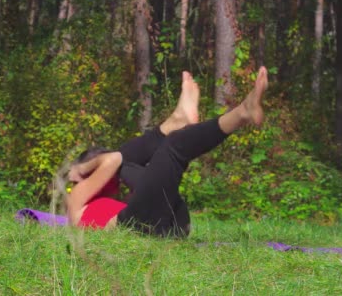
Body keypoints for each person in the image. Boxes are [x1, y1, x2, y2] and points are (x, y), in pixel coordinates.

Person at [66, 66, 269, 237]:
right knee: (168, 147)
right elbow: (113, 159)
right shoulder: (76, 199)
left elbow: (128, 168)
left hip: (169, 223)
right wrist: (81, 168)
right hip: (146, 224)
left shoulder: (115, 201)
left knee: (131, 159)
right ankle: (241, 112)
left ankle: (177, 121)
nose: (112, 180)